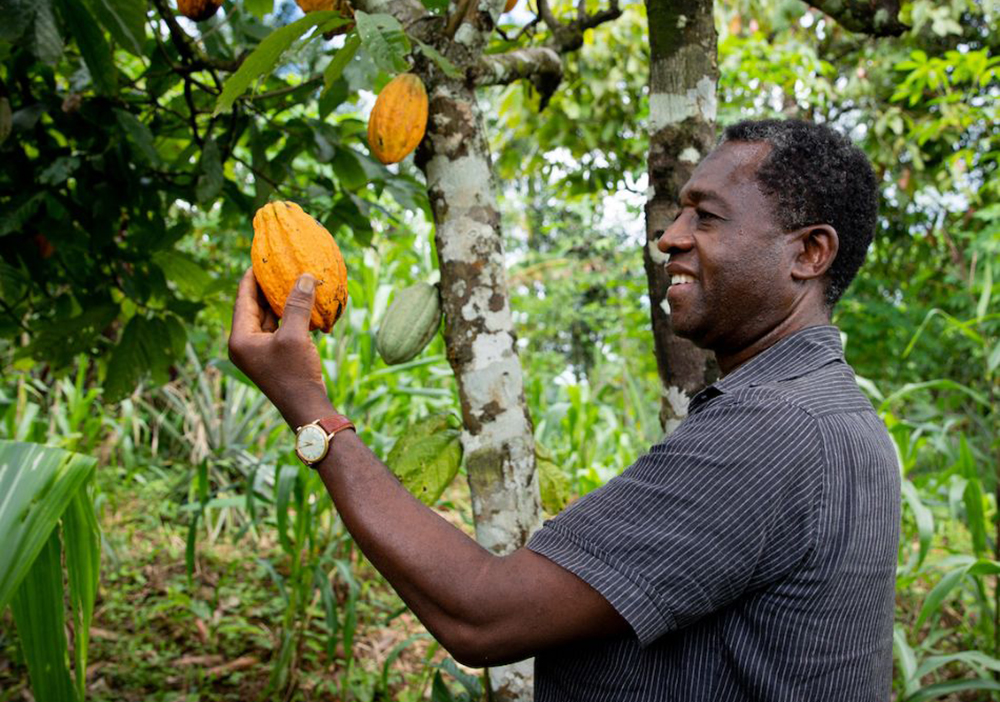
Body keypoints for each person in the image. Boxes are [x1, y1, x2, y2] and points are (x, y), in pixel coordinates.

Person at [228, 118, 900, 701]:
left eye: (707, 216)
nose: (670, 237)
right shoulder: (835, 415)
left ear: (809, 253)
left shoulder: (771, 430)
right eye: (679, 212)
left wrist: (309, 408)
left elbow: (482, 616)